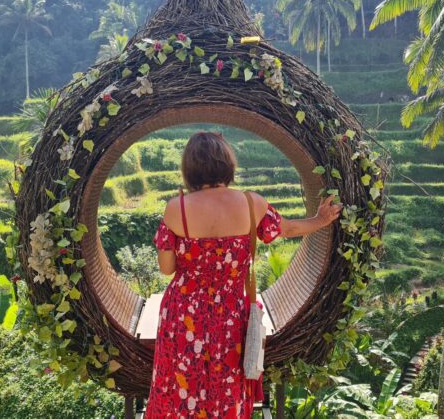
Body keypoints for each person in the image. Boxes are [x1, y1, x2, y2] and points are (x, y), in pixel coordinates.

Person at [144, 131, 341, 418]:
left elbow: (166, 268)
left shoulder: (176, 209)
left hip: (183, 313)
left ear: (189, 168)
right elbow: (288, 229)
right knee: (226, 388)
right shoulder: (252, 203)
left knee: (179, 388)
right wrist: (320, 219)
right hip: (231, 314)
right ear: (227, 164)